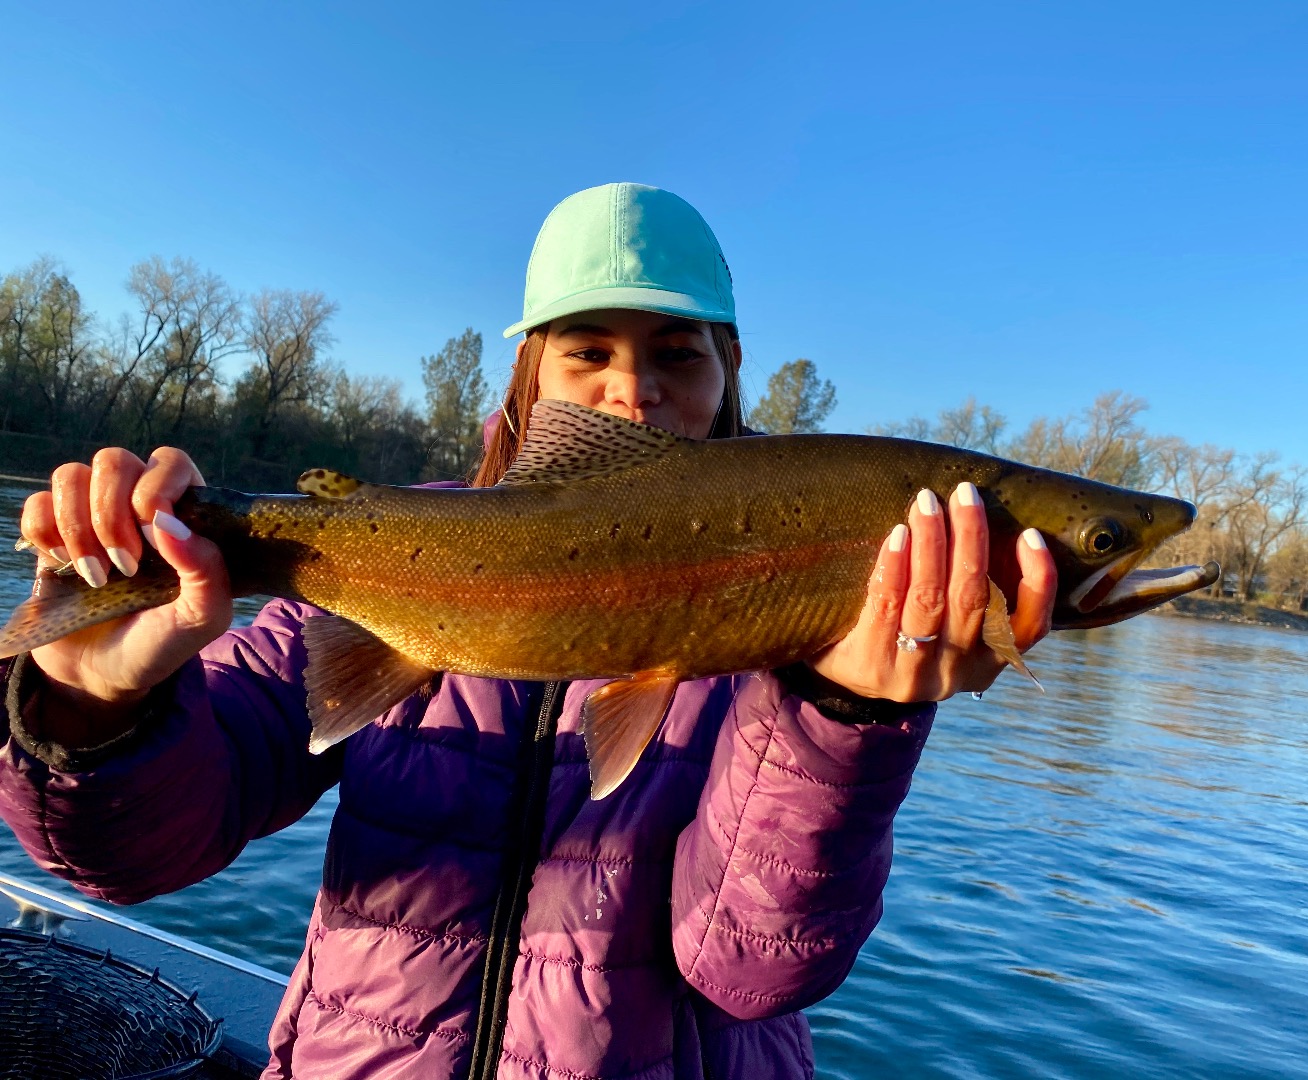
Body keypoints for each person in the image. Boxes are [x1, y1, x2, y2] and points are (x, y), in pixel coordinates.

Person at [0, 183, 1056, 1079]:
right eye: (588, 351)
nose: (632, 390)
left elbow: (751, 968)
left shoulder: (804, 635)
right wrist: (96, 704)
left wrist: (847, 712)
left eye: (677, 357)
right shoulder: (389, 547)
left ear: (730, 376)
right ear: (529, 384)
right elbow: (132, 853)